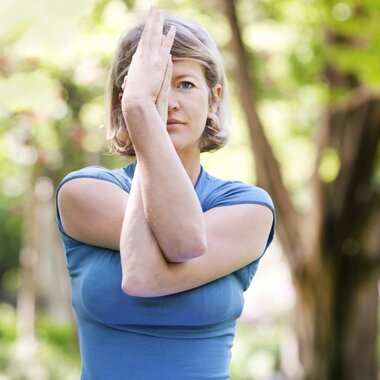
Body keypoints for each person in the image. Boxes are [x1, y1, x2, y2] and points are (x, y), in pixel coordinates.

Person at [56, 6, 275, 380]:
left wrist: (144, 110)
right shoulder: (83, 192)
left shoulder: (248, 209)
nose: (167, 103)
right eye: (154, 87)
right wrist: (142, 113)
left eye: (185, 84)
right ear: (122, 101)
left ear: (214, 99)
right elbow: (144, 274)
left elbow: (168, 255)